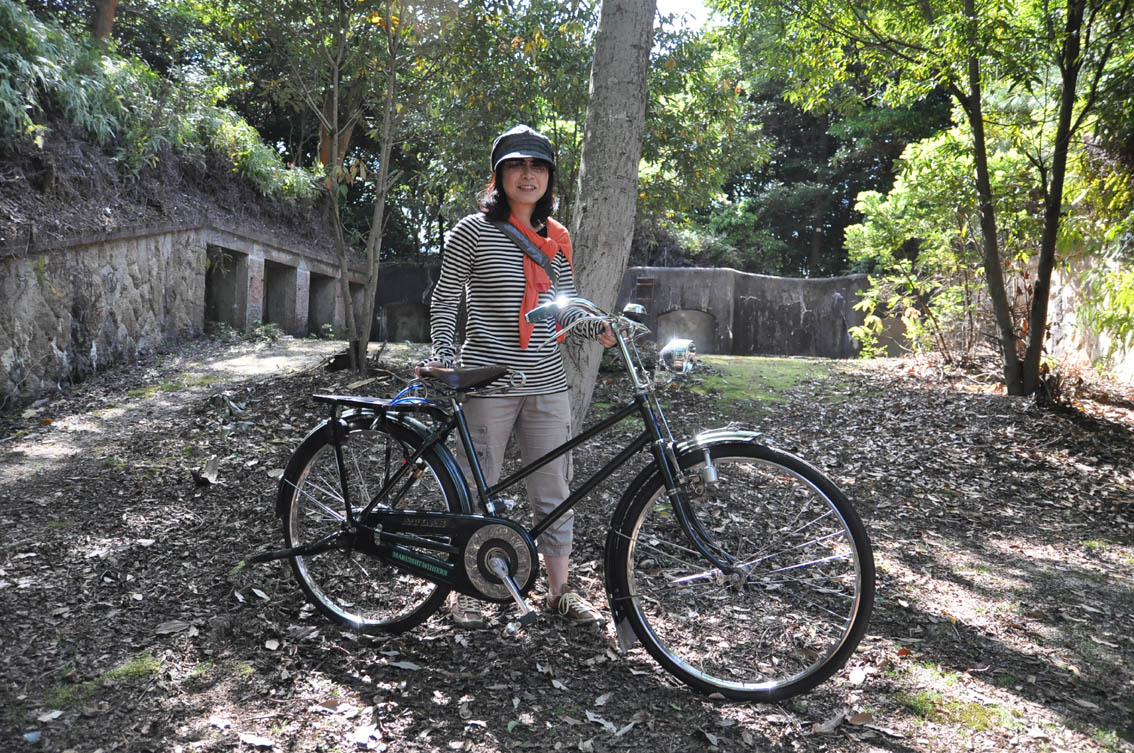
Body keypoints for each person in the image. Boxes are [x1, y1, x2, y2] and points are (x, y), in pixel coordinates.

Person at [419, 124, 616, 628]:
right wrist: (445, 355)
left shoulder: (557, 237)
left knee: (554, 489)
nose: (528, 175)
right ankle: (458, 587)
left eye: (538, 166)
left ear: (549, 178)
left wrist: (597, 328)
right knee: (472, 485)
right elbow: (445, 298)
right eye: (516, 165)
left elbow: (564, 310)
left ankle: (558, 592)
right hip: (489, 382)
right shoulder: (472, 230)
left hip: (548, 383)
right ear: (499, 174)